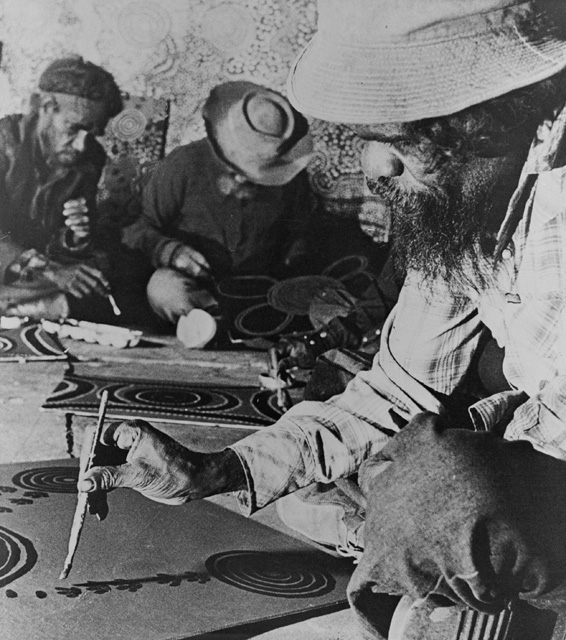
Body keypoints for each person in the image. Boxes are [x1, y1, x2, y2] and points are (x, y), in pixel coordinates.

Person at [80, 0, 566, 636]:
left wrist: (449, 501)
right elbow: (400, 387)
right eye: (370, 140)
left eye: (401, 141)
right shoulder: (469, 203)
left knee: (432, 487)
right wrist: (217, 469)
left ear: (492, 122)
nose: (374, 171)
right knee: (334, 486)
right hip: (525, 474)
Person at [122, 81, 314, 347]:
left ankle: (243, 331)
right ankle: (220, 329)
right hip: (195, 291)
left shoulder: (292, 180)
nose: (244, 179)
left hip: (258, 294)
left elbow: (301, 238)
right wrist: (171, 252)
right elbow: (135, 230)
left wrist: (294, 273)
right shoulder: (183, 165)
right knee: (163, 288)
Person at [0, 56, 123, 320]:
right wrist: (50, 271)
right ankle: (37, 309)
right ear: (46, 107)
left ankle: (20, 309)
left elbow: (62, 250)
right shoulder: (3, 141)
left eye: (93, 132)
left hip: (30, 278)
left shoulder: (90, 158)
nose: (81, 145)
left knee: (102, 278)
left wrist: (75, 238)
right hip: (12, 265)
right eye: (74, 128)